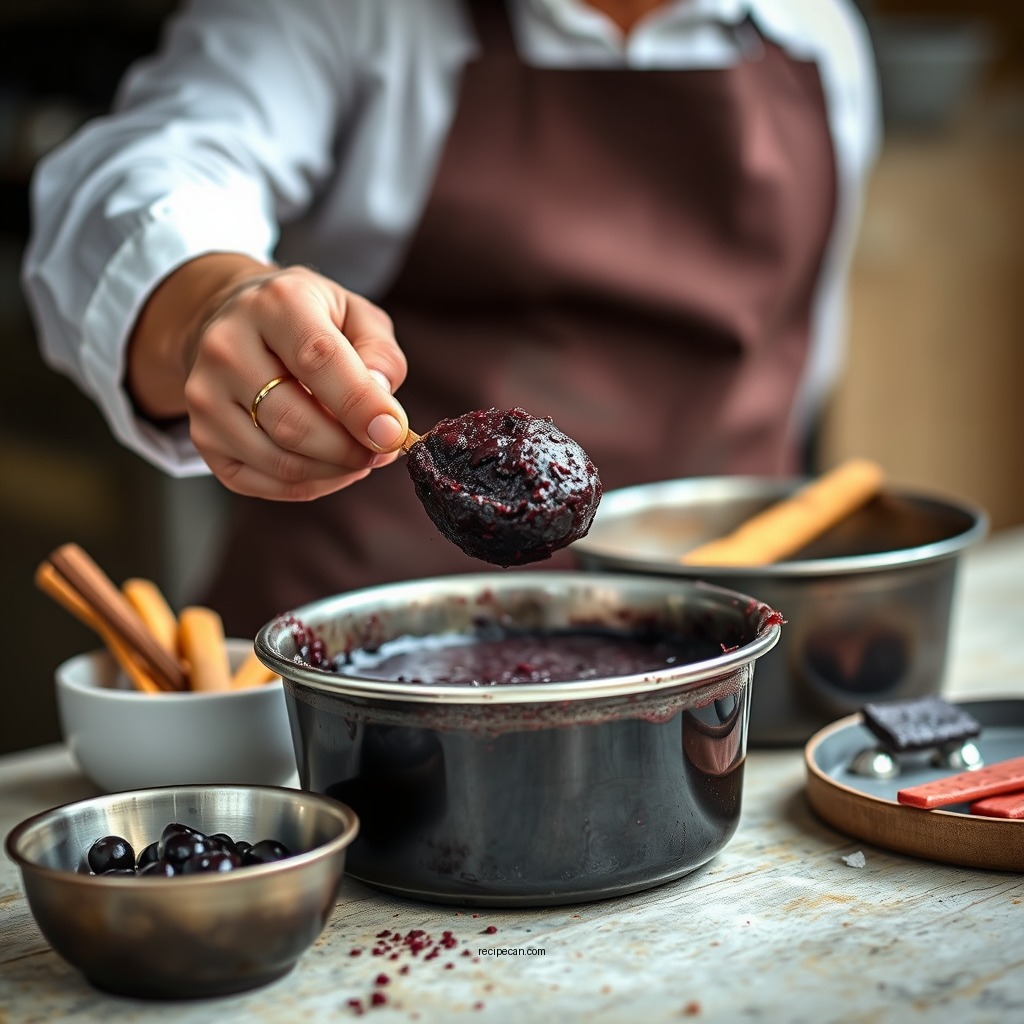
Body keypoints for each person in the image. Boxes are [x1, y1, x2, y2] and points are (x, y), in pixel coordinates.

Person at [22, 0, 880, 635]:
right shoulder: (350, 19)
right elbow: (147, 171)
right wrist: (210, 300)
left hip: (703, 657)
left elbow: (802, 362)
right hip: (359, 656)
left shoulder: (816, 36)